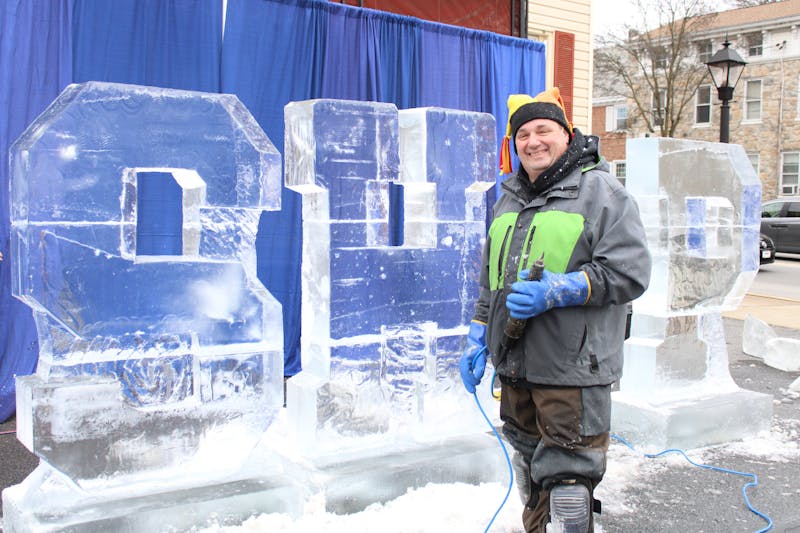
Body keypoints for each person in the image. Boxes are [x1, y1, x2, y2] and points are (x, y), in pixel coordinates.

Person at [459, 87, 651, 533]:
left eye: (543, 129)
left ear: (566, 134)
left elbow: (630, 272)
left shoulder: (602, 192)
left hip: (573, 371)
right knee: (530, 467)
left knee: (568, 478)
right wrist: (477, 332)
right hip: (514, 367)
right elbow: (493, 279)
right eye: (522, 134)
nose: (532, 141)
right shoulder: (509, 198)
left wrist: (561, 289)